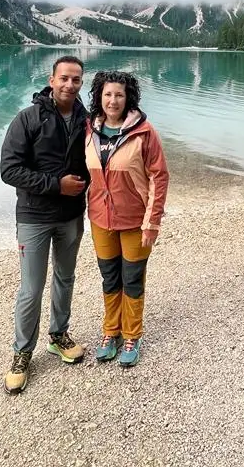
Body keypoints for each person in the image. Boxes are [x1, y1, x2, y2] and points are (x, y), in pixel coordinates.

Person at [0, 55, 90, 394]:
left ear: (81, 83)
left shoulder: (87, 120)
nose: (70, 84)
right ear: (51, 79)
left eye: (76, 79)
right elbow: (9, 170)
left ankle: (58, 335)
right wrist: (56, 185)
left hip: (71, 216)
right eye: (64, 78)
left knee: (65, 277)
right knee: (31, 288)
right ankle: (22, 353)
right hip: (34, 216)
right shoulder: (28, 118)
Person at [83, 70, 169, 367]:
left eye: (119, 94)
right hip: (100, 219)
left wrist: (152, 221)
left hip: (135, 219)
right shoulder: (89, 130)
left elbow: (159, 177)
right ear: (99, 97)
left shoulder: (144, 132)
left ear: (127, 97)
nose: (113, 100)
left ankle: (132, 335)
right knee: (110, 278)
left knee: (132, 279)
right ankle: (111, 331)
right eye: (107, 94)